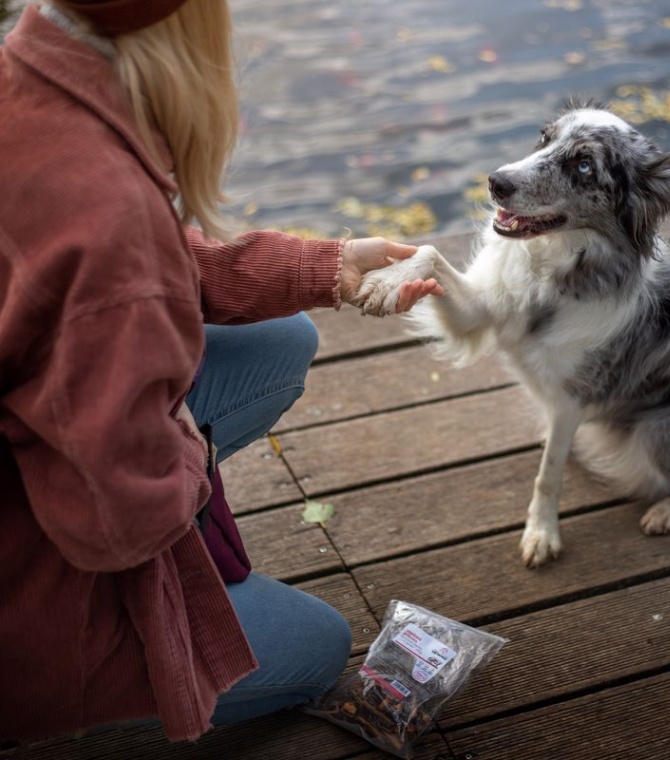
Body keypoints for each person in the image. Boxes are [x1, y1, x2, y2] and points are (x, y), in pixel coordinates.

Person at [0, 0, 442, 744]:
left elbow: (145, 260)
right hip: (28, 577)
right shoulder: (107, 215)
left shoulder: (24, 78)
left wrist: (325, 266)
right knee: (317, 647)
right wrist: (189, 459)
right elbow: (112, 523)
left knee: (279, 341)